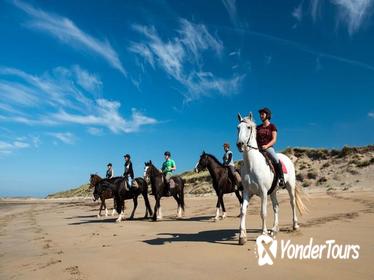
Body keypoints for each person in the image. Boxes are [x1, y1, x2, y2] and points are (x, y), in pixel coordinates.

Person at [256, 107, 285, 186]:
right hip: (258, 148)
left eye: (262, 114)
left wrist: (266, 146)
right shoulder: (258, 127)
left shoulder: (272, 126)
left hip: (268, 148)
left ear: (267, 115)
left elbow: (274, 139)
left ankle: (281, 178)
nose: (261, 116)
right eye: (260, 114)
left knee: (275, 159)